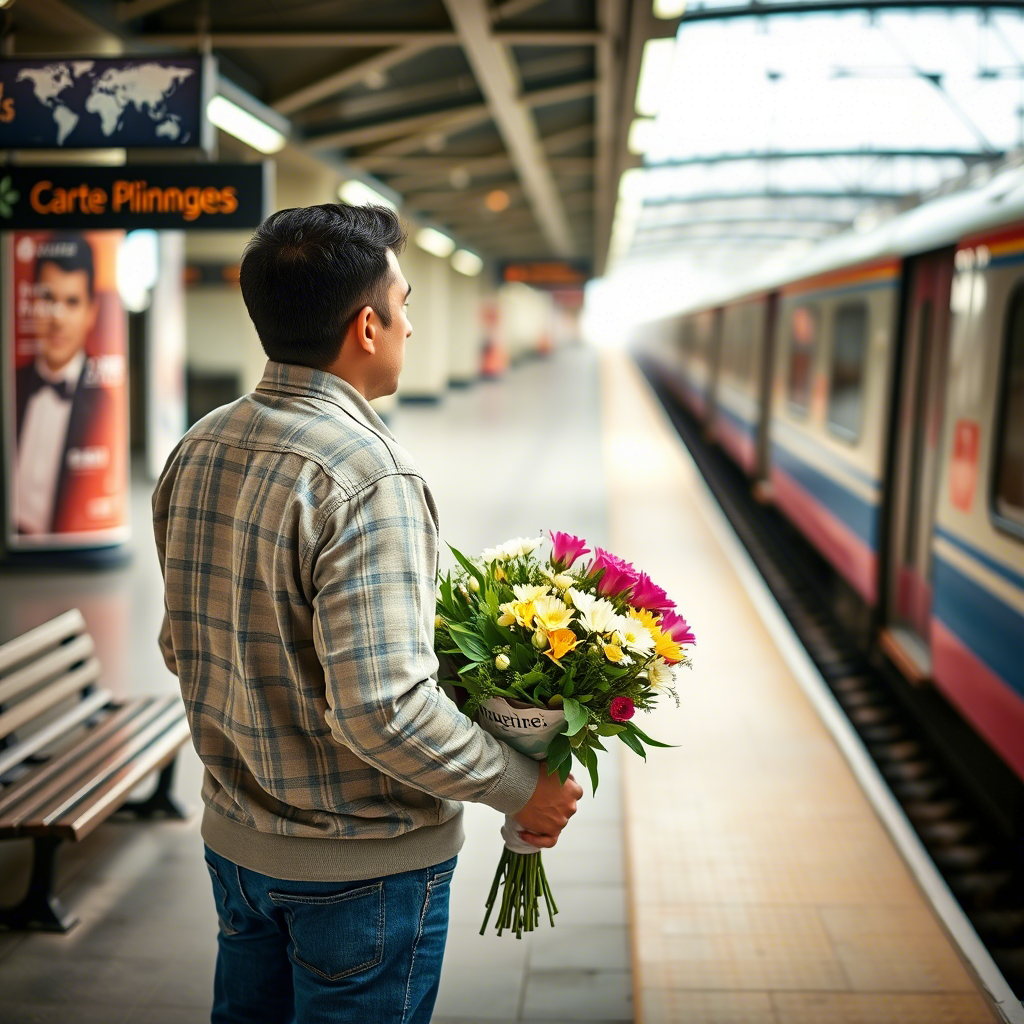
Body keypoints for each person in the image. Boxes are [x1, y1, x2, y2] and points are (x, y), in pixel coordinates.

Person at [152, 204, 583, 1024]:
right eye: (407, 305)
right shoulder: (371, 476)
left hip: (236, 847)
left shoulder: (198, 445)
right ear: (368, 326)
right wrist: (519, 786)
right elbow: (382, 708)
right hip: (360, 876)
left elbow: (184, 646)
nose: (414, 327)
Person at [14, 234, 111, 535]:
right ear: (32, 301)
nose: (57, 318)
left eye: (71, 302)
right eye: (48, 298)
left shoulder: (105, 406)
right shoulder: (12, 386)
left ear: (90, 312)